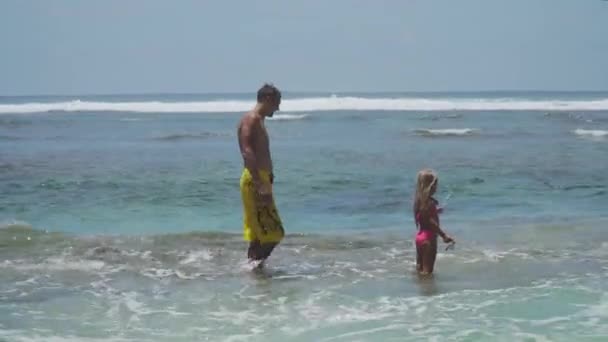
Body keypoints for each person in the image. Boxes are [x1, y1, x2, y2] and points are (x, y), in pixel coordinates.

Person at [237, 83, 285, 267]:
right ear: (267, 99)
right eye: (276, 103)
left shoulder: (258, 120)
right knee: (275, 233)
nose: (278, 108)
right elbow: (247, 151)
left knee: (258, 234)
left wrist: (268, 177)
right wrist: (259, 182)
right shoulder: (251, 120)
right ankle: (252, 268)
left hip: (260, 178)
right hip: (255, 180)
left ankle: (255, 275)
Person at [413, 169, 455, 275]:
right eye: (435, 185)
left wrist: (435, 211)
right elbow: (431, 221)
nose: (436, 188)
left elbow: (422, 216)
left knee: (419, 267)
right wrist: (444, 235)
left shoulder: (418, 201)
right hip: (429, 238)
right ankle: (427, 290)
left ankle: (419, 288)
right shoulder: (430, 203)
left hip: (419, 237)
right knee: (428, 271)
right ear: (430, 186)